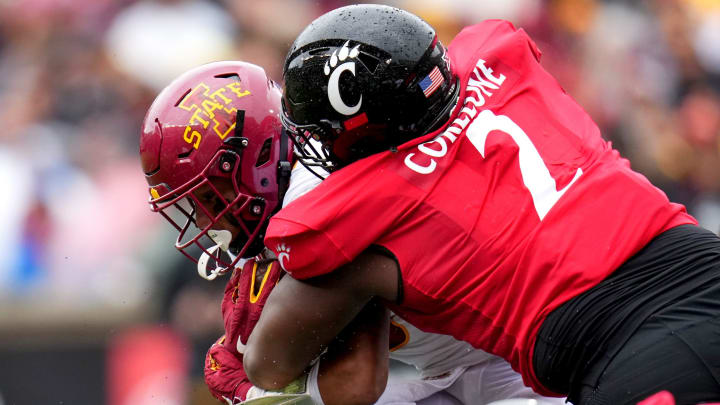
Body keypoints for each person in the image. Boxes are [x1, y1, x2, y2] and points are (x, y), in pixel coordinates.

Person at [242, 4, 720, 405]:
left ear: (361, 126)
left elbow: (268, 362)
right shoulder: (496, 59)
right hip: (702, 266)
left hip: (629, 351)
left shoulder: (363, 216)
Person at [139, 60, 565, 405]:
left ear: (254, 162)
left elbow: (354, 384)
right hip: (469, 366)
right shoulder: (303, 181)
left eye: (209, 199)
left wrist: (260, 391)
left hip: (529, 360)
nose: (205, 219)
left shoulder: (320, 211)